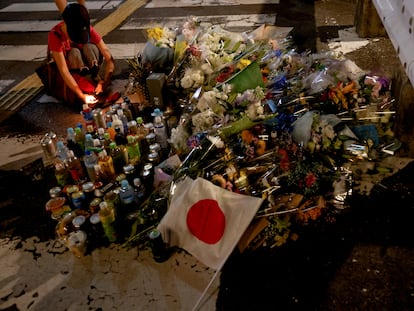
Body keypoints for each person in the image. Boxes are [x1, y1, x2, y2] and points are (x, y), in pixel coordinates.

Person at [48, 2, 115, 106]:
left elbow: (107, 55)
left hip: (90, 64)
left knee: (89, 47)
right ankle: (87, 84)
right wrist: (81, 95)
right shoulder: (55, 36)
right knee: (74, 52)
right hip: (75, 70)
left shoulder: (85, 27)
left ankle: (95, 78)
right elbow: (64, 72)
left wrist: (105, 80)